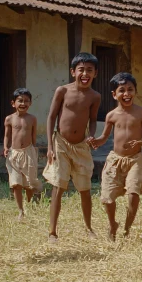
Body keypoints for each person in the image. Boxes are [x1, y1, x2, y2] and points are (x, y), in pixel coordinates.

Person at [43, 52, 100, 242]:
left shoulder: (95, 96)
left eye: (89, 70)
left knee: (85, 188)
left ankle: (89, 228)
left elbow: (92, 120)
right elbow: (51, 117)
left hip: (81, 146)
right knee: (58, 186)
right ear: (73, 71)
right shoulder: (63, 91)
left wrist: (91, 135)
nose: (85, 74)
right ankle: (52, 231)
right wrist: (50, 146)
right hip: (61, 143)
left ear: (95, 74)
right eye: (81, 70)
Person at [90, 73, 142, 241]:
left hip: (135, 160)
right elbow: (104, 137)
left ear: (135, 91)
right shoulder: (111, 115)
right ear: (114, 94)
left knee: (133, 194)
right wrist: (96, 141)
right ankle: (112, 224)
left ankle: (127, 228)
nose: (126, 94)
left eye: (130, 90)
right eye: (122, 90)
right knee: (107, 198)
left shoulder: (140, 113)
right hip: (115, 160)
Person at [4, 88, 41, 221]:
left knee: (29, 183)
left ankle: (30, 204)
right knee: (16, 184)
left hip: (28, 152)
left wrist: (34, 150)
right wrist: (5, 147)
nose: (23, 103)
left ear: (30, 103)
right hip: (14, 154)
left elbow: (33, 136)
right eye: (20, 101)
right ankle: (21, 211)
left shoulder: (32, 119)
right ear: (13, 103)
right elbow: (7, 135)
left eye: (26, 101)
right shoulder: (9, 119)